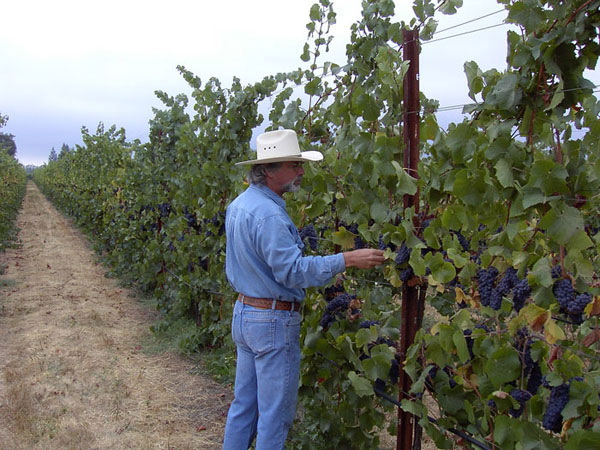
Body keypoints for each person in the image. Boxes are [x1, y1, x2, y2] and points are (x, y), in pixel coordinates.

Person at [222, 129, 385, 450]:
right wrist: (346, 259)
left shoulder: (240, 205)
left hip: (245, 315)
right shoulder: (269, 215)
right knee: (274, 417)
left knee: (244, 407)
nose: (301, 171)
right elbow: (293, 272)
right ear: (268, 170)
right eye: (294, 165)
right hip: (271, 323)